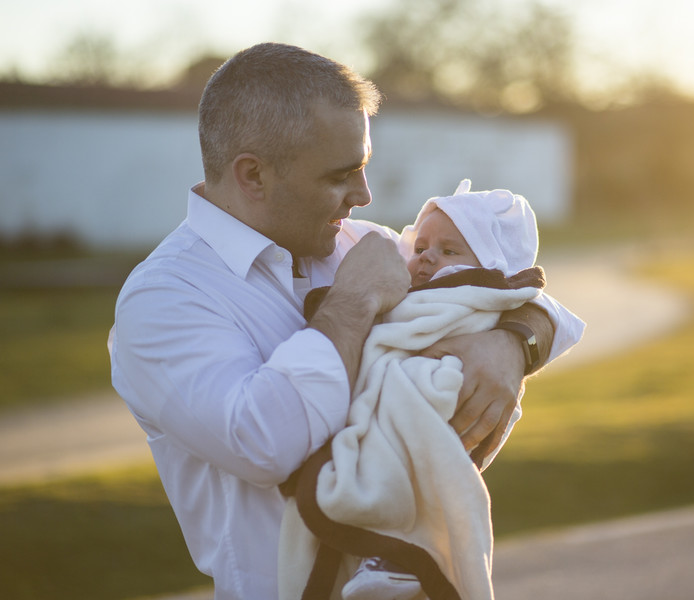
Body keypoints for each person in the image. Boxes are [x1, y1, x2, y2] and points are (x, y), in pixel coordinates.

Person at [108, 42, 584, 600]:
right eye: (342, 175)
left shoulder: (362, 242)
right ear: (253, 175)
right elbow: (265, 442)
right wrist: (353, 302)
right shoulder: (164, 298)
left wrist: (514, 341)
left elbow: (500, 285)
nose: (364, 195)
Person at [283, 179, 569, 600]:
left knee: (408, 414)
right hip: (386, 398)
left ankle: (397, 553)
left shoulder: (368, 243)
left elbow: (538, 300)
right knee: (394, 428)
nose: (426, 256)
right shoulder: (181, 291)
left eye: (449, 251)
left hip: (438, 390)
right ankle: (389, 549)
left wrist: (511, 342)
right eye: (420, 248)